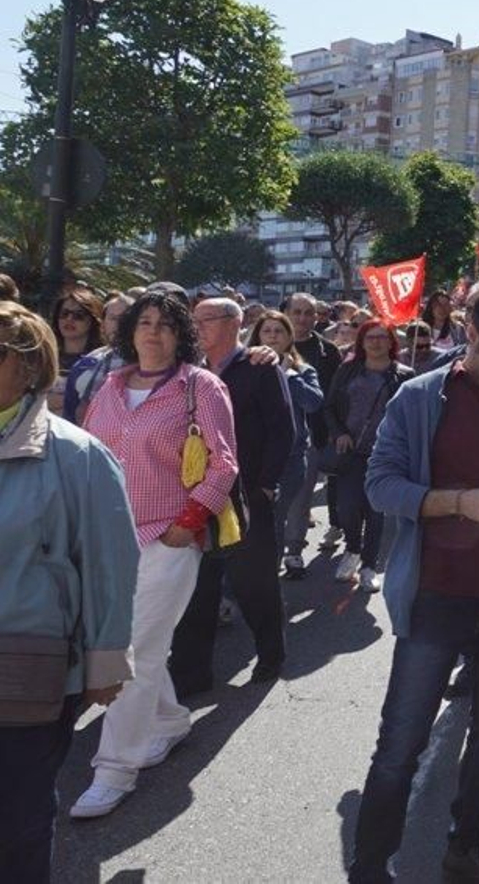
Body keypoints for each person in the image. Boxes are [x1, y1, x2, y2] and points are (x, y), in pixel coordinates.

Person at [349, 289, 479, 884]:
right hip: (437, 598)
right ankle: (370, 863)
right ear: (470, 336)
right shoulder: (419, 399)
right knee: (401, 744)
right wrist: (454, 503)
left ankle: (466, 847)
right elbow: (380, 485)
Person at [72, 292, 238, 820]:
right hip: (106, 540)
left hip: (166, 539)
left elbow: (223, 464)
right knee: (142, 647)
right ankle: (167, 721)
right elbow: (85, 454)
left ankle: (114, 770)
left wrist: (186, 525)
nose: (152, 333)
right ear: (129, 332)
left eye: (165, 325)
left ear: (181, 333)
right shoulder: (110, 387)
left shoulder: (200, 385)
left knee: (131, 651)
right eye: (144, 323)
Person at [0, 302, 138, 875]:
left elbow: (111, 563)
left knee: (17, 820)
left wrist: (105, 664)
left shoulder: (77, 454)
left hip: (27, 665)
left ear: (29, 367)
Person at [168, 298, 294, 696]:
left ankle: (270, 656)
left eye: (206, 319)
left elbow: (282, 430)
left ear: (234, 323)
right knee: (197, 588)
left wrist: (266, 484)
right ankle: (192, 674)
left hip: (246, 495)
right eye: (195, 319)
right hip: (198, 495)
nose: (197, 325)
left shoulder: (259, 367)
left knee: (253, 584)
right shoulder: (191, 372)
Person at [325, 320, 413, 592]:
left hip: (385, 453)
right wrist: (339, 432)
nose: (376, 343)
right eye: (370, 338)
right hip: (350, 451)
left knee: (376, 511)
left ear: (391, 342)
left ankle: (369, 566)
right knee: (347, 507)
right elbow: (329, 407)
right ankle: (352, 548)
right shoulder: (347, 370)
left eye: (381, 337)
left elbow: (411, 415)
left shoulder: (405, 375)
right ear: (361, 342)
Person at [249, 311, 325, 579]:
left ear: (289, 336)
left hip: (290, 460)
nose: (272, 337)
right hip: (251, 458)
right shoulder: (245, 366)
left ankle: (268, 578)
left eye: (278, 331)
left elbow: (314, 402)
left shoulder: (302, 370)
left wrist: (286, 374)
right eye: (267, 331)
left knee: (275, 521)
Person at [285, 292, 345, 566]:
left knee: (302, 494)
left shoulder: (328, 351)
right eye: (296, 312)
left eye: (308, 313)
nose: (302, 318)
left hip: (313, 433)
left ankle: (294, 550)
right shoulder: (266, 343)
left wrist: (335, 430)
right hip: (267, 434)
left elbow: (335, 395)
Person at [62, 291, 133, 425]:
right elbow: (69, 418)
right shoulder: (84, 366)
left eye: (125, 319)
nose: (118, 325)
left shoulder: (146, 365)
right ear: (103, 323)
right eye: (113, 318)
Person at [47, 288, 104, 414]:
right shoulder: (44, 357)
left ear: (93, 320)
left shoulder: (102, 362)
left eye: (79, 315)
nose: (69, 319)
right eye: (64, 313)